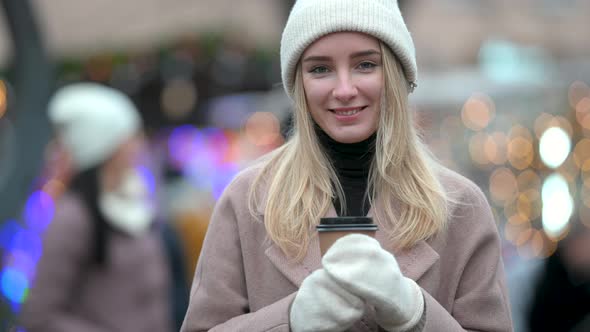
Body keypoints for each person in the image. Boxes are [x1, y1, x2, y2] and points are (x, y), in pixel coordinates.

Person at [181, 0, 513, 331]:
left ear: (397, 75)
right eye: (320, 69)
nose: (344, 90)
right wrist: (289, 321)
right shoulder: (248, 200)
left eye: (366, 65)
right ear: (299, 84)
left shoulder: (460, 206)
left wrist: (417, 314)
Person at [20, 83, 180, 332]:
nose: (138, 145)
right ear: (106, 147)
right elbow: (39, 315)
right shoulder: (73, 217)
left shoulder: (136, 201)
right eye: (130, 137)